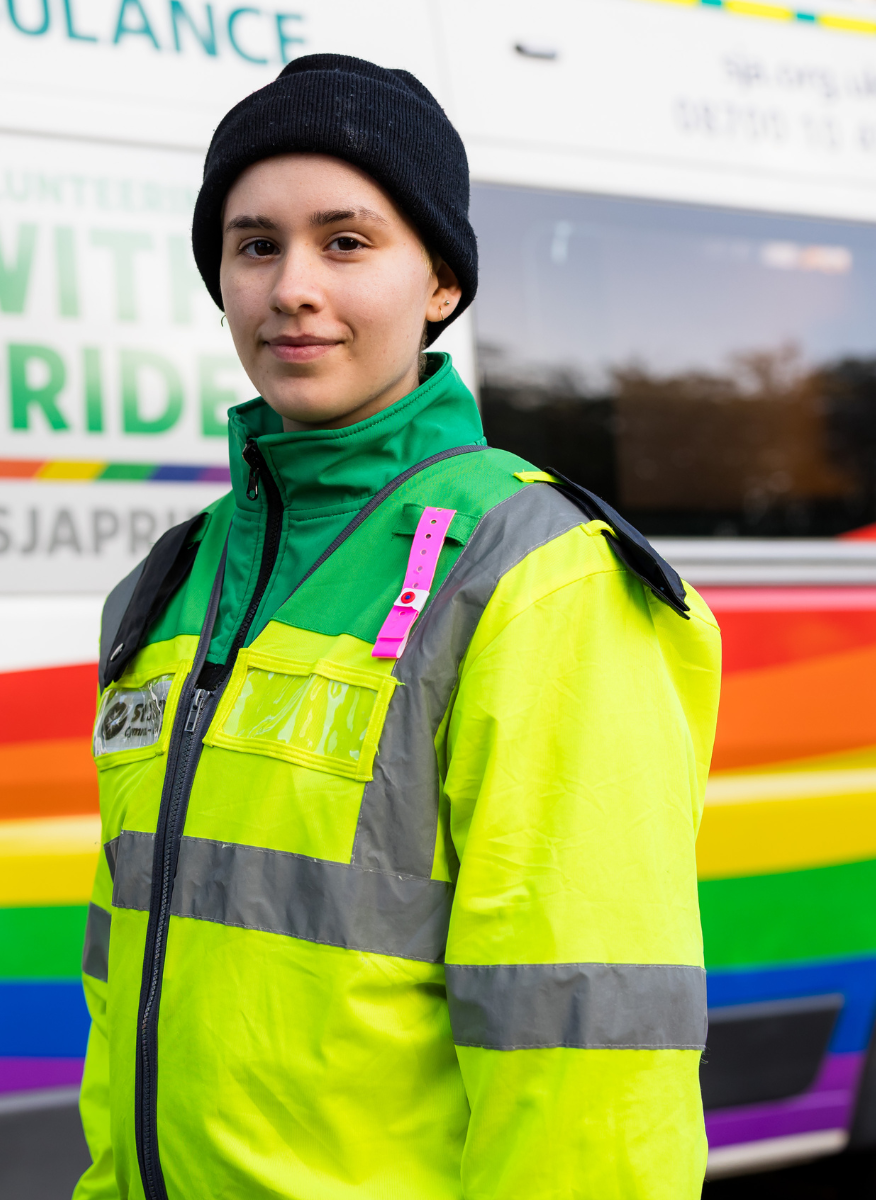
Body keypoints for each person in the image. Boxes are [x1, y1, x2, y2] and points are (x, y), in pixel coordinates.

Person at [74, 53, 721, 1200]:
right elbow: (129, 984)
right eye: (255, 243)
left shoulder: (539, 575)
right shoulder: (167, 587)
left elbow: (584, 1049)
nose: (292, 288)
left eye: (348, 241)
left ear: (440, 284)